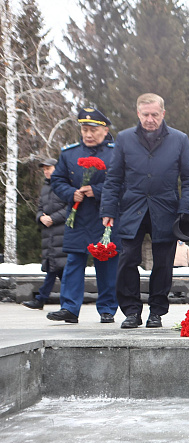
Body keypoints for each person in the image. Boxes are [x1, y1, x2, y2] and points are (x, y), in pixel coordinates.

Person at [101, 93, 189, 329]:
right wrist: (108, 210)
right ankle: (132, 311)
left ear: (163, 114)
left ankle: (157, 312)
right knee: (126, 260)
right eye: (146, 114)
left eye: (155, 114)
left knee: (163, 264)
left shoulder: (179, 139)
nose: (150, 119)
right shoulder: (124, 139)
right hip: (132, 209)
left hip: (166, 209)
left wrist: (185, 209)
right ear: (138, 113)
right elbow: (113, 178)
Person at [48, 107, 119, 324]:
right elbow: (57, 180)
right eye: (84, 129)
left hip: (104, 217)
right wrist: (72, 193)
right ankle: (69, 308)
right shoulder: (69, 153)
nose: (88, 135)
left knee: (106, 264)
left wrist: (95, 191)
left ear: (105, 131)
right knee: (73, 263)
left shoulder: (116, 153)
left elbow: (124, 182)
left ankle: (107, 308)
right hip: (77, 217)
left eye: (93, 130)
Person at [23, 158, 68, 310]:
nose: (46, 171)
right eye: (44, 169)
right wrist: (41, 217)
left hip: (62, 234)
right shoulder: (45, 188)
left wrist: (52, 219)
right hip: (49, 235)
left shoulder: (64, 185)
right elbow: (40, 208)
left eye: (49, 168)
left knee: (58, 269)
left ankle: (44, 300)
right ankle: (56, 301)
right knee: (54, 268)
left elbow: (70, 209)